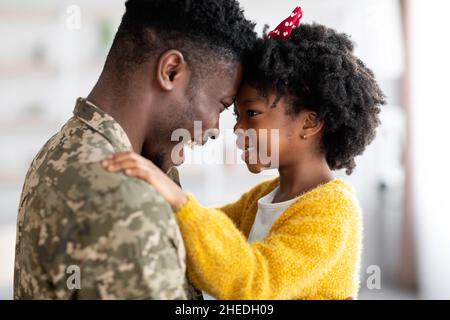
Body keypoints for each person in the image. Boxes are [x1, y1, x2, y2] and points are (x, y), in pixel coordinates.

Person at [102, 8, 386, 299]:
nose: (238, 128)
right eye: (237, 115)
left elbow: (255, 284)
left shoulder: (333, 209)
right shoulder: (264, 197)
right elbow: (206, 242)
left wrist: (179, 200)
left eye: (252, 113)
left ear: (309, 122)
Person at [14, 0, 256, 299]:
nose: (217, 128)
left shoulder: (61, 148)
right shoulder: (129, 202)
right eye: (221, 106)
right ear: (170, 71)